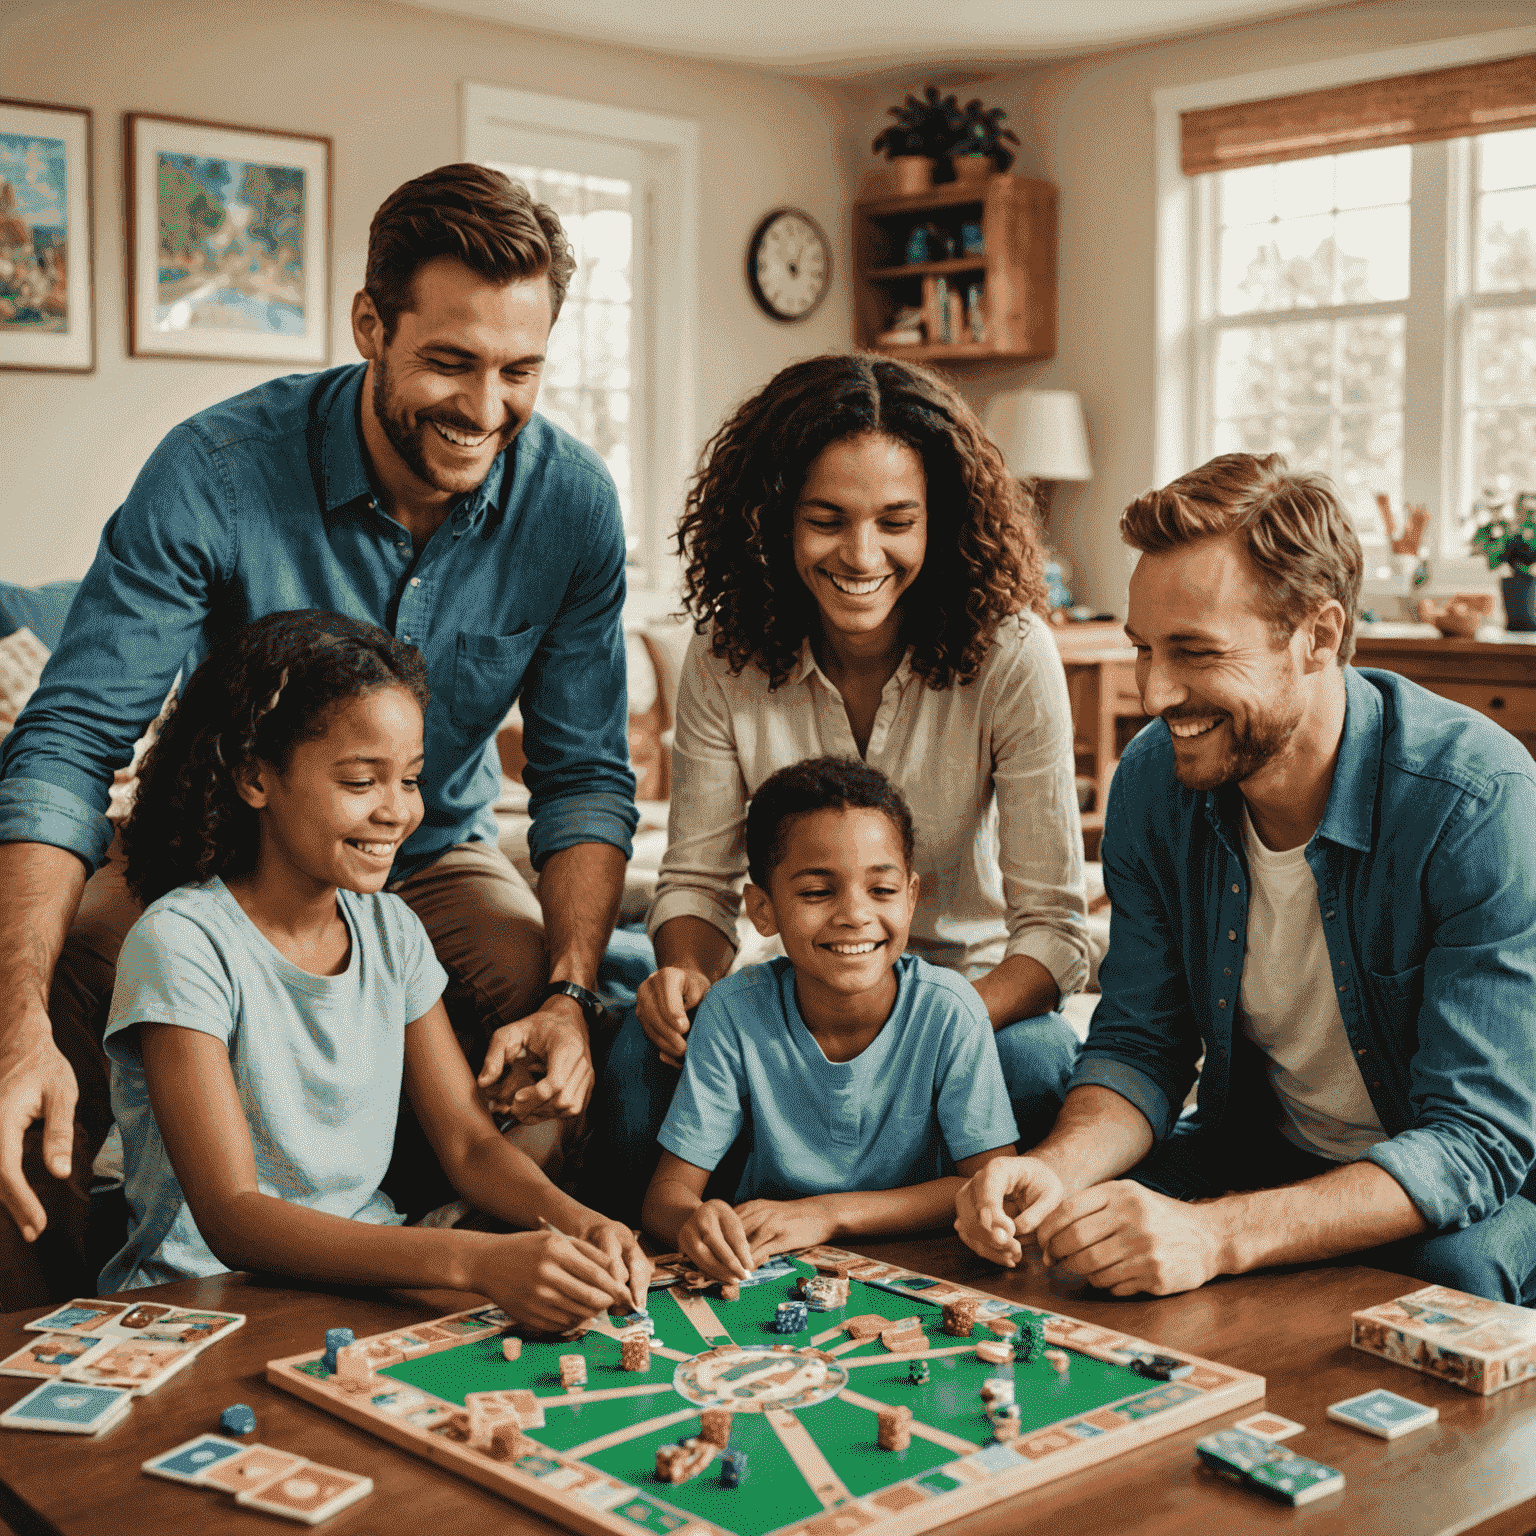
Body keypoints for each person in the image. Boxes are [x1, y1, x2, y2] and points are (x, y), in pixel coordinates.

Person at [0, 163, 637, 1308]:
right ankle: (71, 1317)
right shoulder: (217, 473)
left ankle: (457, 1259)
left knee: (541, 981)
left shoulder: (573, 506)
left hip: (434, 854)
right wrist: (16, 1022)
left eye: (520, 370)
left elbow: (585, 775)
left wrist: (572, 995)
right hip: (212, 848)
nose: (486, 408)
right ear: (369, 327)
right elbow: (71, 738)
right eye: (450, 361)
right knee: (84, 964)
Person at [954, 453, 1536, 1304]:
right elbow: (1140, 1045)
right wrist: (1052, 1171)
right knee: (1081, 1232)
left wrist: (1218, 1236)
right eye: (1145, 649)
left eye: (1194, 652)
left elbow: (1474, 1142)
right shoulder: (1158, 782)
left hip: (1486, 1181)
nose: (1155, 692)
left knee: (1449, 1276)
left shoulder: (1472, 801)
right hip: (1264, 1153)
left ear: (1319, 636)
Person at [606, 353, 1090, 1216]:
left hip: (969, 1000)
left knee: (1040, 1064)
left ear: (941, 522)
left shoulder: (1012, 656)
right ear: (774, 521)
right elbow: (696, 883)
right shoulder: (727, 657)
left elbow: (1055, 928)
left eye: (897, 521)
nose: (862, 554)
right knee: (640, 1053)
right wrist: (684, 976)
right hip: (799, 996)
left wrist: (924, 1034)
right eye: (826, 520)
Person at [100, 609, 648, 1322]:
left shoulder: (392, 929)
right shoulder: (181, 943)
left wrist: (579, 1220)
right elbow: (231, 1216)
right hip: (201, 1300)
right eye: (362, 782)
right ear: (255, 778)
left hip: (364, 1277)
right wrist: (473, 1261)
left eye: (411, 780)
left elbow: (469, 1144)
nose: (396, 811)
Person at [643, 756, 1017, 1275]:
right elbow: (667, 1195)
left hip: (922, 1262)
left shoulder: (950, 1011)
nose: (855, 914)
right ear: (763, 909)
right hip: (771, 1268)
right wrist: (694, 1222)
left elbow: (988, 1184)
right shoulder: (733, 1013)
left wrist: (829, 1214)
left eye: (882, 890)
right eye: (818, 892)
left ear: (911, 898)